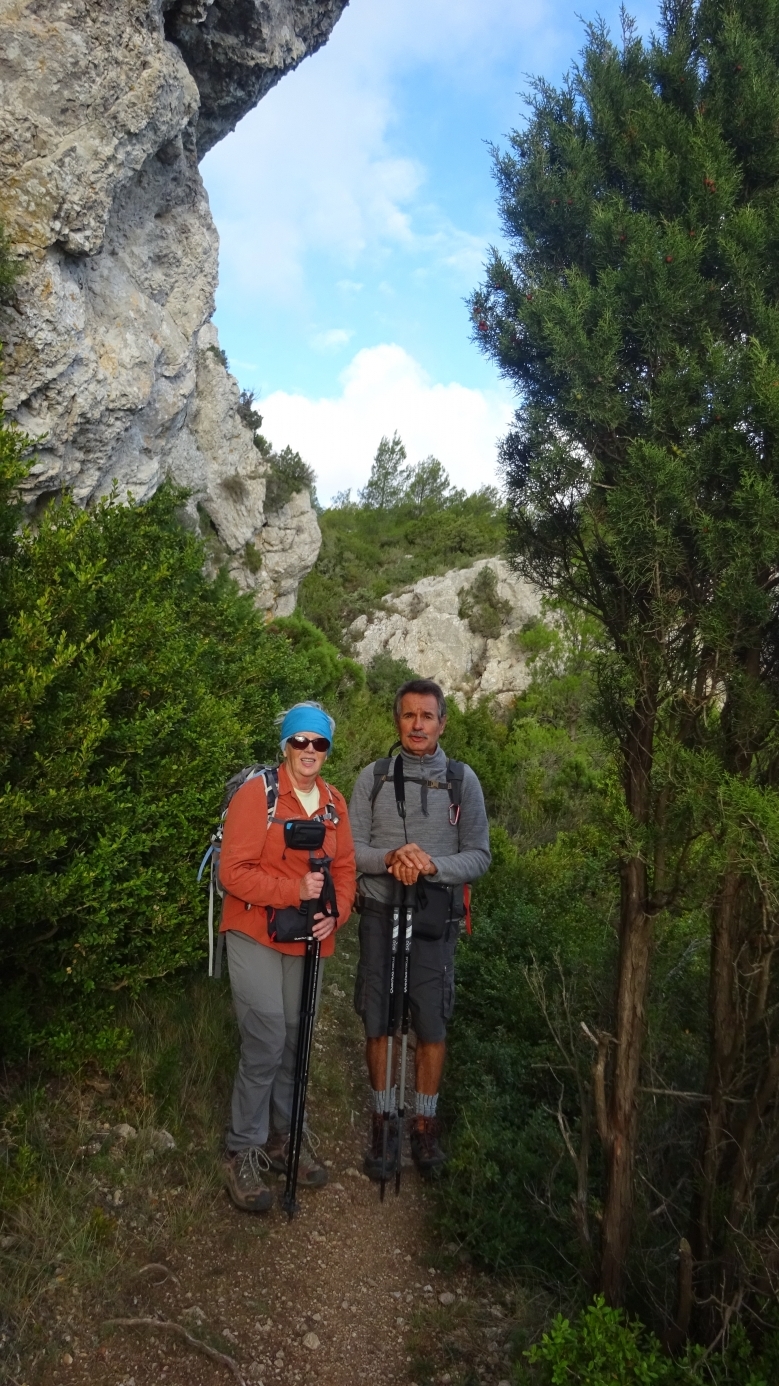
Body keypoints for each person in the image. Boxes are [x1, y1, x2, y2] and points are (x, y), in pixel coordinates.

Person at [349, 678, 491, 1179]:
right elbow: (351, 849)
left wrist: (431, 865)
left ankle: (424, 1125)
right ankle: (383, 1122)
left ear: (442, 723)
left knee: (431, 1024)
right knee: (379, 1020)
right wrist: (391, 857)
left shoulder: (461, 780)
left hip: (434, 919)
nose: (417, 725)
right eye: (408, 715)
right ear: (397, 721)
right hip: (379, 912)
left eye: (426, 716)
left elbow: (479, 855)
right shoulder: (373, 777)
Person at [218, 701, 356, 1213]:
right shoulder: (259, 795)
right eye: (300, 741)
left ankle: (285, 1139)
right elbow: (233, 872)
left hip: (308, 937)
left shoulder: (335, 803)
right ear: (286, 745)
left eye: (319, 743)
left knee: (297, 1039)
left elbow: (345, 869)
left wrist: (335, 913)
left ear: (328, 749)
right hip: (254, 929)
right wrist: (293, 890)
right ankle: (241, 1150)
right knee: (267, 1037)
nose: (309, 750)